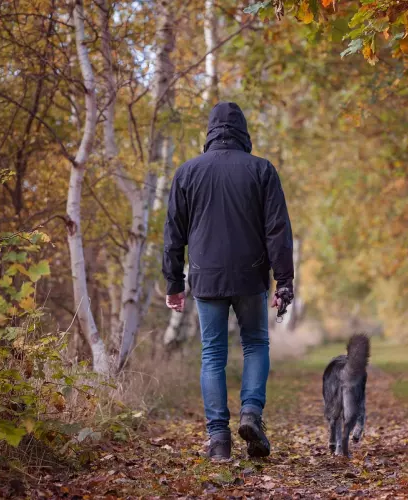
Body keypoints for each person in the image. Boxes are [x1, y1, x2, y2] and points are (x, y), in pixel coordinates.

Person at [162, 102, 294, 461]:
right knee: (255, 344)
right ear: (243, 131)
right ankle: (251, 413)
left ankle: (218, 439)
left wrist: (174, 282)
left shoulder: (187, 173)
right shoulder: (262, 170)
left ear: (210, 131)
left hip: (206, 277)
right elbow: (277, 230)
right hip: (251, 275)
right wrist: (284, 281)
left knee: (212, 355)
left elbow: (173, 233)